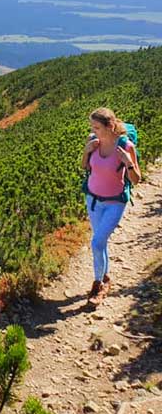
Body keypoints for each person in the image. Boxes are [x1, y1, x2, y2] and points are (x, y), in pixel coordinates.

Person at [81, 107, 141, 306]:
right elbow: (86, 167)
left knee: (97, 243)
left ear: (110, 126)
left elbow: (136, 179)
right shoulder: (93, 141)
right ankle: (105, 278)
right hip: (93, 200)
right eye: (92, 127)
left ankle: (98, 285)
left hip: (114, 202)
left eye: (97, 127)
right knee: (100, 242)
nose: (93, 131)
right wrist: (86, 151)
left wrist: (129, 163)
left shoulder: (125, 146)